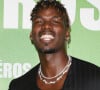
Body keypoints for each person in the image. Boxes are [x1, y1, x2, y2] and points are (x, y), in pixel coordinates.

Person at [8, 0, 100, 90]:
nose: (46, 26)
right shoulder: (18, 86)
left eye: (55, 21)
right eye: (39, 21)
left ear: (67, 33)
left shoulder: (94, 78)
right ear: (31, 35)